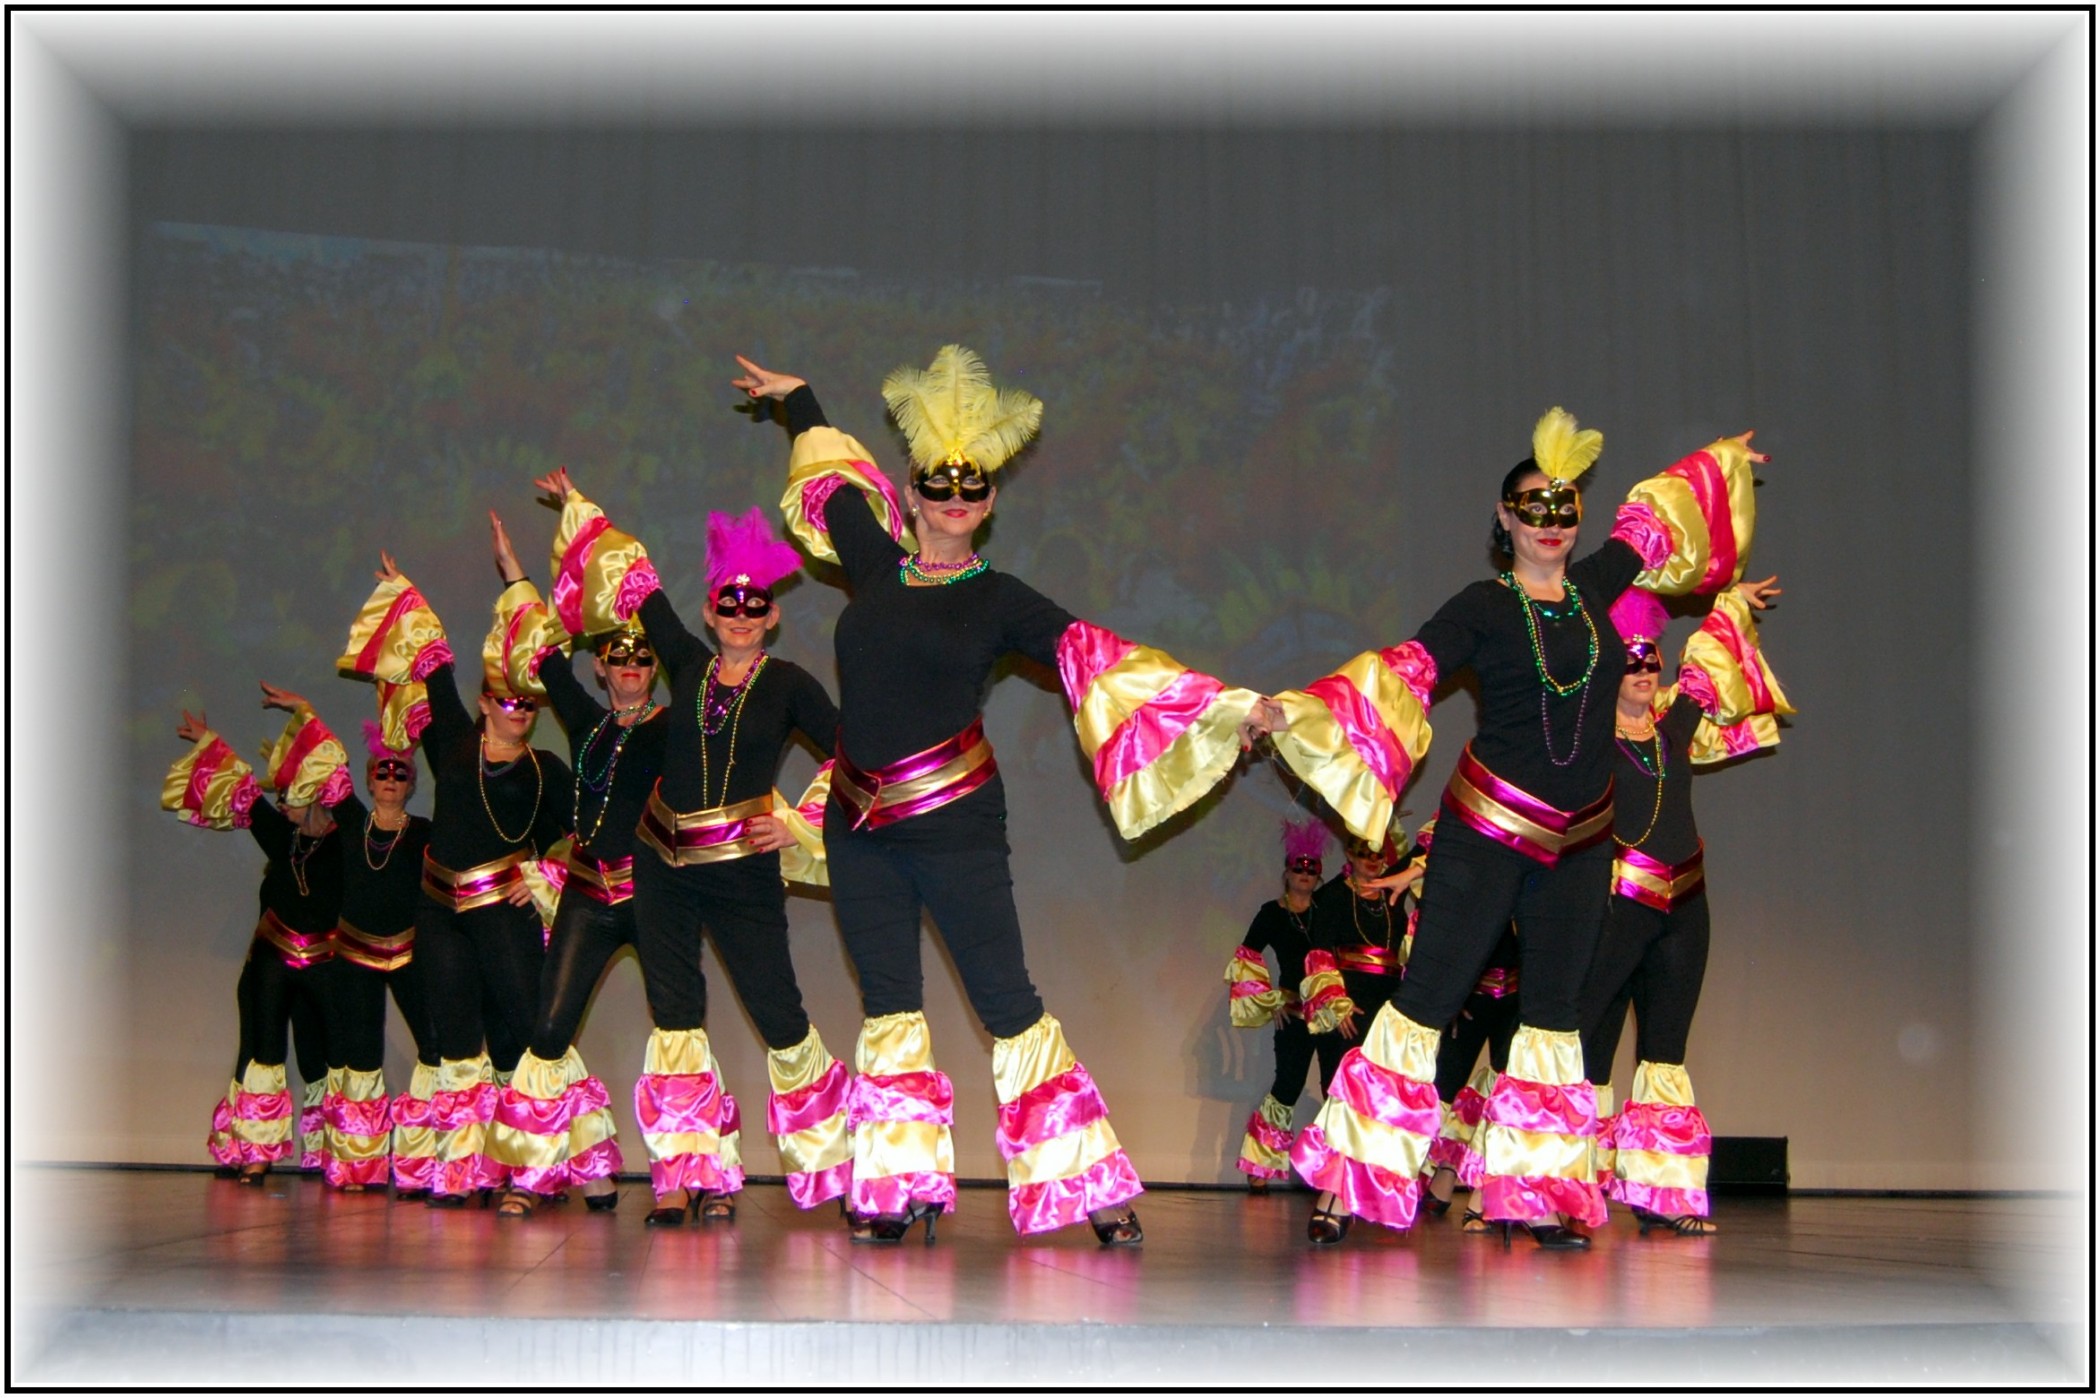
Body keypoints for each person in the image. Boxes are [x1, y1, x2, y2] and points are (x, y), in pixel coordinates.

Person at [734, 345, 1267, 1246]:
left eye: (971, 487)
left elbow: (1102, 660)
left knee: (1005, 1001)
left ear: (986, 504)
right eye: (937, 483)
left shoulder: (1001, 599)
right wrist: (801, 399)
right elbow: (830, 480)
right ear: (910, 494)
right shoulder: (874, 565)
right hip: (859, 828)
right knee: (889, 1005)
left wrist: (1228, 709)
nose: (954, 496)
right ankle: (898, 1186)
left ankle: (1090, 1186)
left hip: (955, 830)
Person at [1270, 408, 1774, 1249]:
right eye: (1533, 506)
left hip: (1580, 847)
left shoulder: (1597, 587)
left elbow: (1654, 520)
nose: (1552, 519)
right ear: (1504, 519)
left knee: (1554, 1018)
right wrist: (1295, 712)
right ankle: (1349, 1182)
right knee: (1428, 1001)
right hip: (1487, 835)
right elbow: (1407, 669)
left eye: (1564, 505)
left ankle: (1535, 1195)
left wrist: (1720, 460)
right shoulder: (1482, 606)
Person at [485, 486, 847, 1228]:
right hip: (664, 873)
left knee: (779, 1015)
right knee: (676, 1018)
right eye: (727, 602)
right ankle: (680, 1178)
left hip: (741, 874)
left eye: (754, 604)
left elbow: (855, 754)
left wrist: (803, 825)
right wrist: (575, 513)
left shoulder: (788, 685)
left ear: (771, 616)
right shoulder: (685, 664)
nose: (740, 613)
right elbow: (633, 578)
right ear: (710, 613)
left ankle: (840, 1173)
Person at [336, 553, 574, 1207]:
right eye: (506, 699)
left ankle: (533, 1168)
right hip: (439, 911)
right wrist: (404, 589)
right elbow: (434, 664)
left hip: (504, 912)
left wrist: (548, 873)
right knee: (457, 1041)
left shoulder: (546, 769)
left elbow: (587, 830)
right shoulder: (453, 746)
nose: (518, 709)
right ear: (484, 702)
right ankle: (466, 1168)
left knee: (521, 1032)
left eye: (528, 702)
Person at [1578, 576, 1791, 1237]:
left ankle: (1663, 1194)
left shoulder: (1671, 730)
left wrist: (1730, 600)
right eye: (1630, 662)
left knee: (1665, 1050)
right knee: (1586, 1047)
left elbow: (1706, 663)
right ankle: (1568, 1188)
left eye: (1651, 660)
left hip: (1686, 907)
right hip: (1619, 908)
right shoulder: (1591, 742)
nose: (1645, 670)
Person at [480, 511, 660, 1219]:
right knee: (548, 1032)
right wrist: (513, 574)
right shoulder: (586, 725)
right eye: (618, 656)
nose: (631, 665)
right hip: (588, 896)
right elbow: (543, 650)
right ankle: (535, 1172)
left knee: (679, 1029)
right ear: (600, 667)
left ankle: (694, 1180)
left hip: (655, 897)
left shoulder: (674, 730)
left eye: (643, 657)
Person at [253, 686, 442, 1195]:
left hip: (409, 952)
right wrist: (303, 709)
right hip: (355, 954)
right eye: (382, 771)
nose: (390, 778)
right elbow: (325, 755)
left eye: (400, 772)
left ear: (411, 783)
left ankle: (428, 1164)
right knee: (360, 1056)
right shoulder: (352, 821)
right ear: (368, 778)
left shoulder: (424, 831)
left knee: (436, 1045)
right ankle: (360, 1165)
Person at [164, 703, 349, 1185]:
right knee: (263, 1050)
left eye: (290, 794)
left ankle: (329, 1150)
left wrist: (304, 711)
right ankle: (254, 1151)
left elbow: (332, 767)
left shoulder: (344, 841)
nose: (281, 802)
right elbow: (245, 791)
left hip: (325, 964)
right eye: (281, 795)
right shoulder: (281, 838)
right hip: (272, 962)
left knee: (326, 1056)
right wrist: (209, 742)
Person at [1225, 816, 1340, 1192]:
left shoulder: (1328, 910)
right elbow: (1247, 955)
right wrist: (1269, 1000)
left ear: (1319, 876)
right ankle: (1260, 1164)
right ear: (1287, 873)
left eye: (1312, 869)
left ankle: (1332, 1170)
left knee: (1335, 1089)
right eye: (1298, 868)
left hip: (1329, 1012)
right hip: (1293, 1014)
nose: (1305, 874)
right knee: (1288, 1085)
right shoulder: (1272, 913)